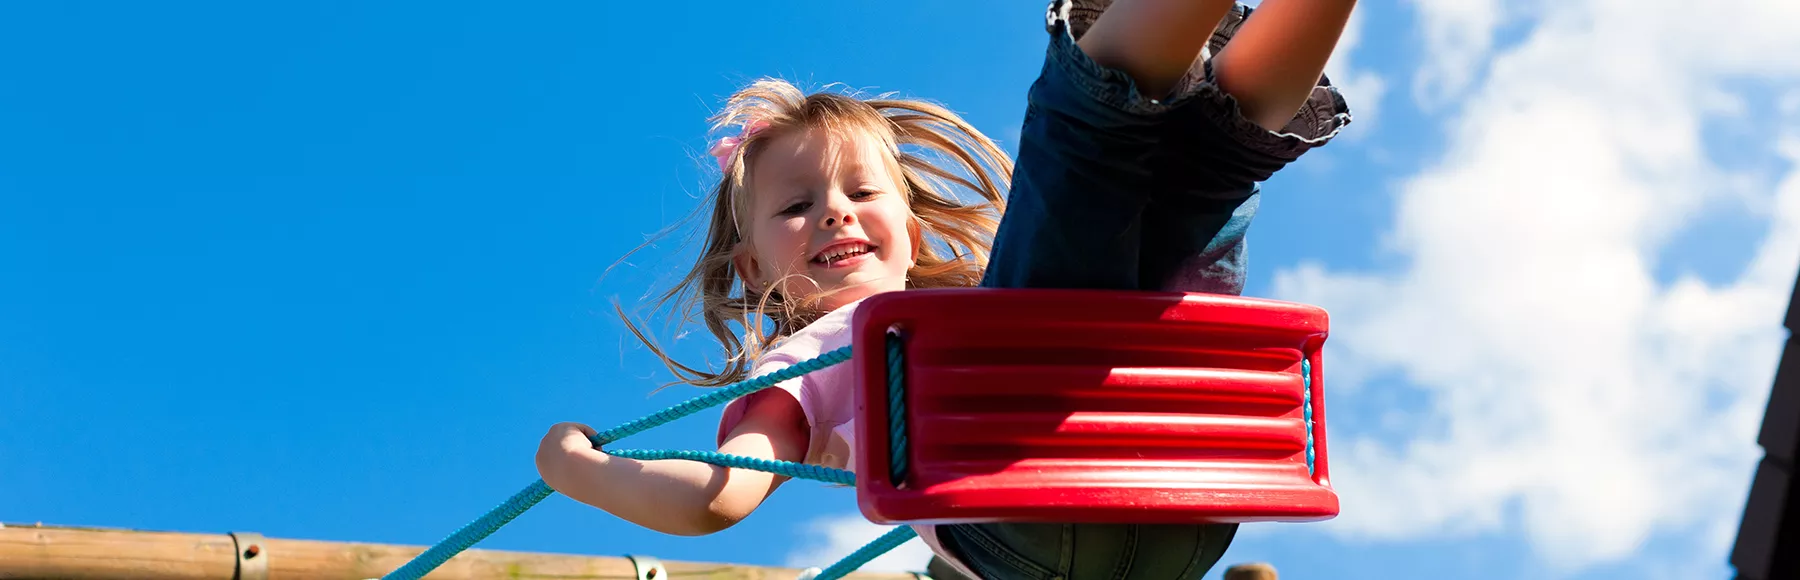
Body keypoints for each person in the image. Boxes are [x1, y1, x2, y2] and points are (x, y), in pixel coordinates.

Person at [534, 0, 1353, 577]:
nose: (832, 215)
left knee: (1213, 159)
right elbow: (716, 496)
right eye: (795, 205)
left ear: (912, 235)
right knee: (1094, 132)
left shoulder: (951, 321)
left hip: (1171, 504)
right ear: (752, 271)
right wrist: (576, 469)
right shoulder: (807, 355)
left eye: (860, 194)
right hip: (1112, 507)